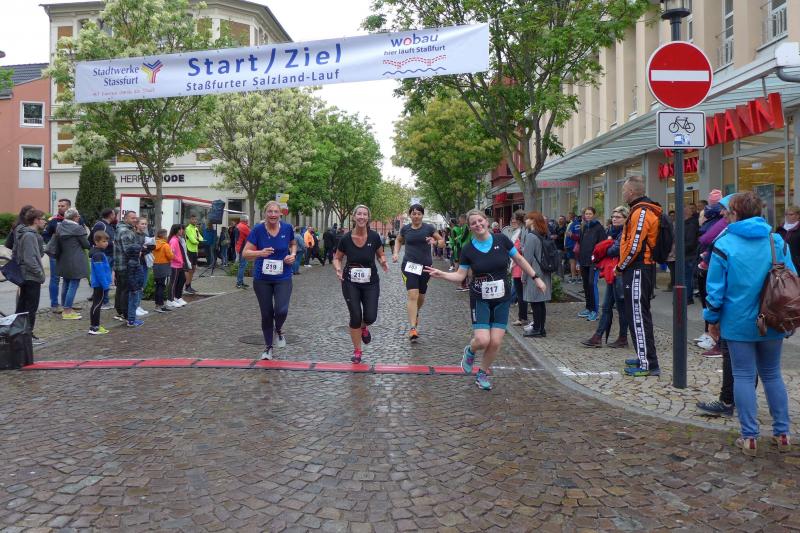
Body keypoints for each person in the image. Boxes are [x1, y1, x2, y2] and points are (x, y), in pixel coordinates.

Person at [704, 191, 795, 456]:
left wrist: (712, 319)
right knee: (772, 374)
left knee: (743, 376)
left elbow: (715, 289)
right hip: (773, 317)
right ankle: (782, 433)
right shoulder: (776, 240)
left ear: (735, 213)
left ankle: (749, 436)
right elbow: (792, 277)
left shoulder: (725, 243)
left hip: (737, 320)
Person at [425, 209, 546, 391]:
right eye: (473, 223)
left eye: (480, 221)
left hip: (502, 298)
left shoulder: (501, 240)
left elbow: (520, 260)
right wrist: (441, 274)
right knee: (482, 340)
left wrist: (536, 278)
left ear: (486, 221)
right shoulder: (468, 249)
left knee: (495, 341)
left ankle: (482, 373)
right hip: (480, 299)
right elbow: (460, 276)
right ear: (470, 227)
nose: (478, 225)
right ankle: (470, 350)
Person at [333, 205, 389, 364]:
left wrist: (383, 261)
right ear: (354, 216)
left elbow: (380, 254)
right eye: (359, 214)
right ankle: (357, 351)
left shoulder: (374, 237)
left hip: (371, 282)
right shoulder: (345, 239)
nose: (362, 217)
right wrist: (338, 269)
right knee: (355, 316)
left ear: (368, 217)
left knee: (370, 316)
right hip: (350, 282)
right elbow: (337, 258)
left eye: (365, 214)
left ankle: (364, 327)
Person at [242, 201, 297, 361]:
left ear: (280, 214)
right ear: (265, 213)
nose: (273, 214)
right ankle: (268, 347)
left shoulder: (287, 228)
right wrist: (260, 253)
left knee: (281, 310)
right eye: (270, 211)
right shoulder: (258, 230)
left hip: (283, 276)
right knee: (266, 314)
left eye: (275, 212)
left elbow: (293, 244)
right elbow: (245, 253)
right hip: (262, 279)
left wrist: (292, 255)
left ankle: (278, 329)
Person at [617, 177, 661, 377]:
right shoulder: (639, 210)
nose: (623, 194)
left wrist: (621, 265)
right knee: (636, 314)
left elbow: (634, 245)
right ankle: (643, 356)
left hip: (638, 269)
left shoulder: (641, 212)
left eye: (624, 190)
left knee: (638, 316)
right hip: (638, 268)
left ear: (632, 192)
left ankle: (648, 363)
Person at [392, 204, 445, 342]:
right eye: (413, 213)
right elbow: (398, 240)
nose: (416, 216)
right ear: (410, 215)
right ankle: (412, 328)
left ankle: (415, 313)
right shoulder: (405, 229)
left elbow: (442, 242)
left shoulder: (429, 228)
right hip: (409, 266)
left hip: (425, 267)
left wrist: (435, 242)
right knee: (412, 294)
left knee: (421, 297)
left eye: (419, 214)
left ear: (422, 215)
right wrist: (396, 253)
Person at [581, 206, 629, 348]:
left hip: (620, 273)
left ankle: (622, 338)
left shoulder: (625, 232)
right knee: (606, 307)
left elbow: (615, 250)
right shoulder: (611, 231)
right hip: (611, 273)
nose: (614, 219)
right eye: (613, 216)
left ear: (626, 219)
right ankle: (598, 337)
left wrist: (606, 248)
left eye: (618, 217)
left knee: (621, 308)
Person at [14, 209, 46, 344]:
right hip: (30, 276)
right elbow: (30, 259)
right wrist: (39, 273)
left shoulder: (30, 234)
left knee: (23, 307)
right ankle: (27, 336)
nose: (44, 221)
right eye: (43, 219)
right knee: (29, 308)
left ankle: (20, 335)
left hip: (28, 275)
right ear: (36, 220)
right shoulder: (29, 236)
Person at [52, 208, 90, 320]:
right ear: (75, 217)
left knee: (66, 283)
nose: (79, 218)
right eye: (78, 216)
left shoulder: (60, 227)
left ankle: (65, 307)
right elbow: (86, 244)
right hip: (76, 260)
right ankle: (67, 310)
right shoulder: (77, 228)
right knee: (73, 284)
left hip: (63, 259)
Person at [521, 212, 553, 338]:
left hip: (534, 272)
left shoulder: (531, 236)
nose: (525, 221)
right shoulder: (544, 234)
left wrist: (524, 276)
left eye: (528, 219)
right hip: (544, 271)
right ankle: (541, 328)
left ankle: (537, 329)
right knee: (541, 302)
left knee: (535, 302)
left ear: (533, 220)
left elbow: (526, 259)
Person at [577, 207, 606, 321]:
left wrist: (598, 260)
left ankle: (595, 311)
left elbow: (602, 245)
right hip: (584, 261)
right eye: (586, 214)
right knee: (585, 285)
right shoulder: (584, 227)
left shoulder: (599, 228)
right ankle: (588, 308)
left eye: (590, 214)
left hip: (594, 262)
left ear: (594, 215)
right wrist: (579, 260)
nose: (588, 215)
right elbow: (581, 244)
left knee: (592, 284)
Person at [43, 198, 70, 313]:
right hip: (56, 254)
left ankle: (67, 304)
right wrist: (54, 244)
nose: (60, 208)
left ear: (68, 207)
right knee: (55, 278)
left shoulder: (75, 219)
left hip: (70, 254)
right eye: (59, 206)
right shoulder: (53, 220)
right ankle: (54, 304)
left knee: (69, 278)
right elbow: (45, 235)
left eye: (62, 206)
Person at [89, 208, 117, 309]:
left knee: (107, 277)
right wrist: (111, 243)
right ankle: (104, 301)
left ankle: (102, 299)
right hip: (104, 254)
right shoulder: (101, 225)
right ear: (110, 215)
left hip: (109, 254)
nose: (115, 216)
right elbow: (96, 238)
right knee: (103, 277)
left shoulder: (110, 225)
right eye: (114, 214)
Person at [113, 211, 138, 322]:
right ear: (126, 218)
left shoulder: (120, 228)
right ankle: (125, 314)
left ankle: (119, 311)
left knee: (120, 289)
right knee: (125, 290)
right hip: (125, 264)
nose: (135, 220)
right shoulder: (125, 231)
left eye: (135, 218)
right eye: (132, 218)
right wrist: (140, 249)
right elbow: (128, 250)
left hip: (119, 264)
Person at [125, 217, 148, 327]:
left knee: (133, 302)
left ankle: (132, 319)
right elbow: (131, 277)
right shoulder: (132, 263)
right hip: (134, 288)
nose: (140, 253)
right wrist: (135, 287)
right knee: (133, 303)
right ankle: (131, 320)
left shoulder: (135, 262)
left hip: (137, 287)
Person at [88, 231, 112, 335]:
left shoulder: (99, 253)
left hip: (100, 283)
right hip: (100, 284)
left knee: (96, 304)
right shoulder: (98, 254)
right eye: (103, 241)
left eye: (106, 241)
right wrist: (105, 285)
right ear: (96, 242)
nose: (106, 243)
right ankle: (95, 327)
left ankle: (95, 326)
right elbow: (100, 272)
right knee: (97, 305)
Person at [509, 211, 528, 326]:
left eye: (514, 219)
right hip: (517, 265)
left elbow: (518, 249)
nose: (513, 221)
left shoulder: (521, 232)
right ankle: (522, 316)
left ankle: (522, 317)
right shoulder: (520, 231)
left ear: (519, 220)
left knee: (520, 294)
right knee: (520, 293)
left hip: (518, 267)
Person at [152, 229, 174, 313]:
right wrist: (173, 253)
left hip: (155, 265)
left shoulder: (154, 244)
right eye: (166, 235)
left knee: (158, 286)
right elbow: (170, 256)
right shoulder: (165, 245)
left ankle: (157, 305)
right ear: (164, 236)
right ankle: (160, 305)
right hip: (164, 266)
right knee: (162, 286)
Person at [167, 224, 189, 309]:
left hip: (179, 265)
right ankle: (170, 300)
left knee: (182, 280)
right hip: (174, 265)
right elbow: (171, 253)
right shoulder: (173, 240)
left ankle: (177, 297)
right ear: (176, 230)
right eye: (180, 229)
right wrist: (179, 260)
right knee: (173, 283)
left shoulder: (177, 239)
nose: (182, 231)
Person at [683, 203, 700, 305]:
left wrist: (681, 250)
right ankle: (686, 297)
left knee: (687, 277)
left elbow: (691, 242)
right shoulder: (686, 223)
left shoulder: (691, 224)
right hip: (686, 254)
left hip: (689, 255)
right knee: (686, 277)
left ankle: (687, 298)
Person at [184, 214, 204, 294]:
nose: (195, 221)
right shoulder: (188, 229)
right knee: (190, 269)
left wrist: (198, 239)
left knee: (193, 269)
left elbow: (201, 237)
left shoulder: (195, 228)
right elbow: (193, 240)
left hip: (195, 251)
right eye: (193, 219)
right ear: (190, 220)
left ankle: (189, 285)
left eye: (195, 219)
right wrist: (198, 240)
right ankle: (187, 286)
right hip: (189, 251)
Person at [777, 205, 800, 270]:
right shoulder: (780, 229)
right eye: (786, 214)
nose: (787, 216)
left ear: (798, 215)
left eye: (791, 214)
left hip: (796, 265)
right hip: (781, 264)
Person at [235, 216, 251, 288]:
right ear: (246, 220)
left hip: (239, 247)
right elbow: (251, 235)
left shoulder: (239, 225)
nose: (248, 221)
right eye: (247, 220)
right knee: (242, 265)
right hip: (243, 248)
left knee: (242, 265)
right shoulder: (244, 227)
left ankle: (240, 282)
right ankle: (239, 283)